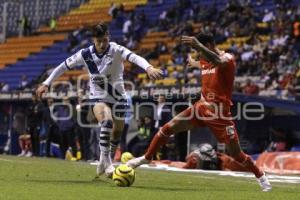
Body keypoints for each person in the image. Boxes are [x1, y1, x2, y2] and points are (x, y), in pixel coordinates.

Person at [127, 32, 272, 191]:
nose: (198, 56)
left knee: (237, 154)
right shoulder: (203, 60)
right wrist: (192, 61)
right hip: (200, 108)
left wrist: (198, 46)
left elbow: (217, 61)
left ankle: (260, 175)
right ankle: (147, 158)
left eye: (200, 51)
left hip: (219, 114)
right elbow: (200, 63)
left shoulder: (227, 59)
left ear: (208, 46)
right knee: (167, 128)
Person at [36, 22, 162, 177]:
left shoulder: (116, 49)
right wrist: (46, 83)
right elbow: (62, 66)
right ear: (93, 40)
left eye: (104, 40)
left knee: (116, 133)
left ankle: (103, 159)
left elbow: (134, 57)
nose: (102, 44)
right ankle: (109, 165)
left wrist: (148, 67)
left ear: (108, 37)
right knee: (107, 122)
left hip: (118, 97)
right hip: (98, 97)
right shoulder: (85, 54)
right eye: (98, 41)